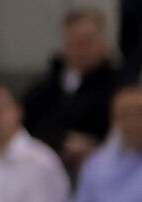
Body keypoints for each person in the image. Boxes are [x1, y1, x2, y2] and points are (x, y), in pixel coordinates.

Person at [20, 7, 125, 167]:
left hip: (99, 164)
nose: (81, 50)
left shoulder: (120, 87)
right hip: (43, 162)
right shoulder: (43, 87)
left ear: (105, 44)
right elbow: (23, 124)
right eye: (74, 42)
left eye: (88, 41)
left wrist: (96, 145)